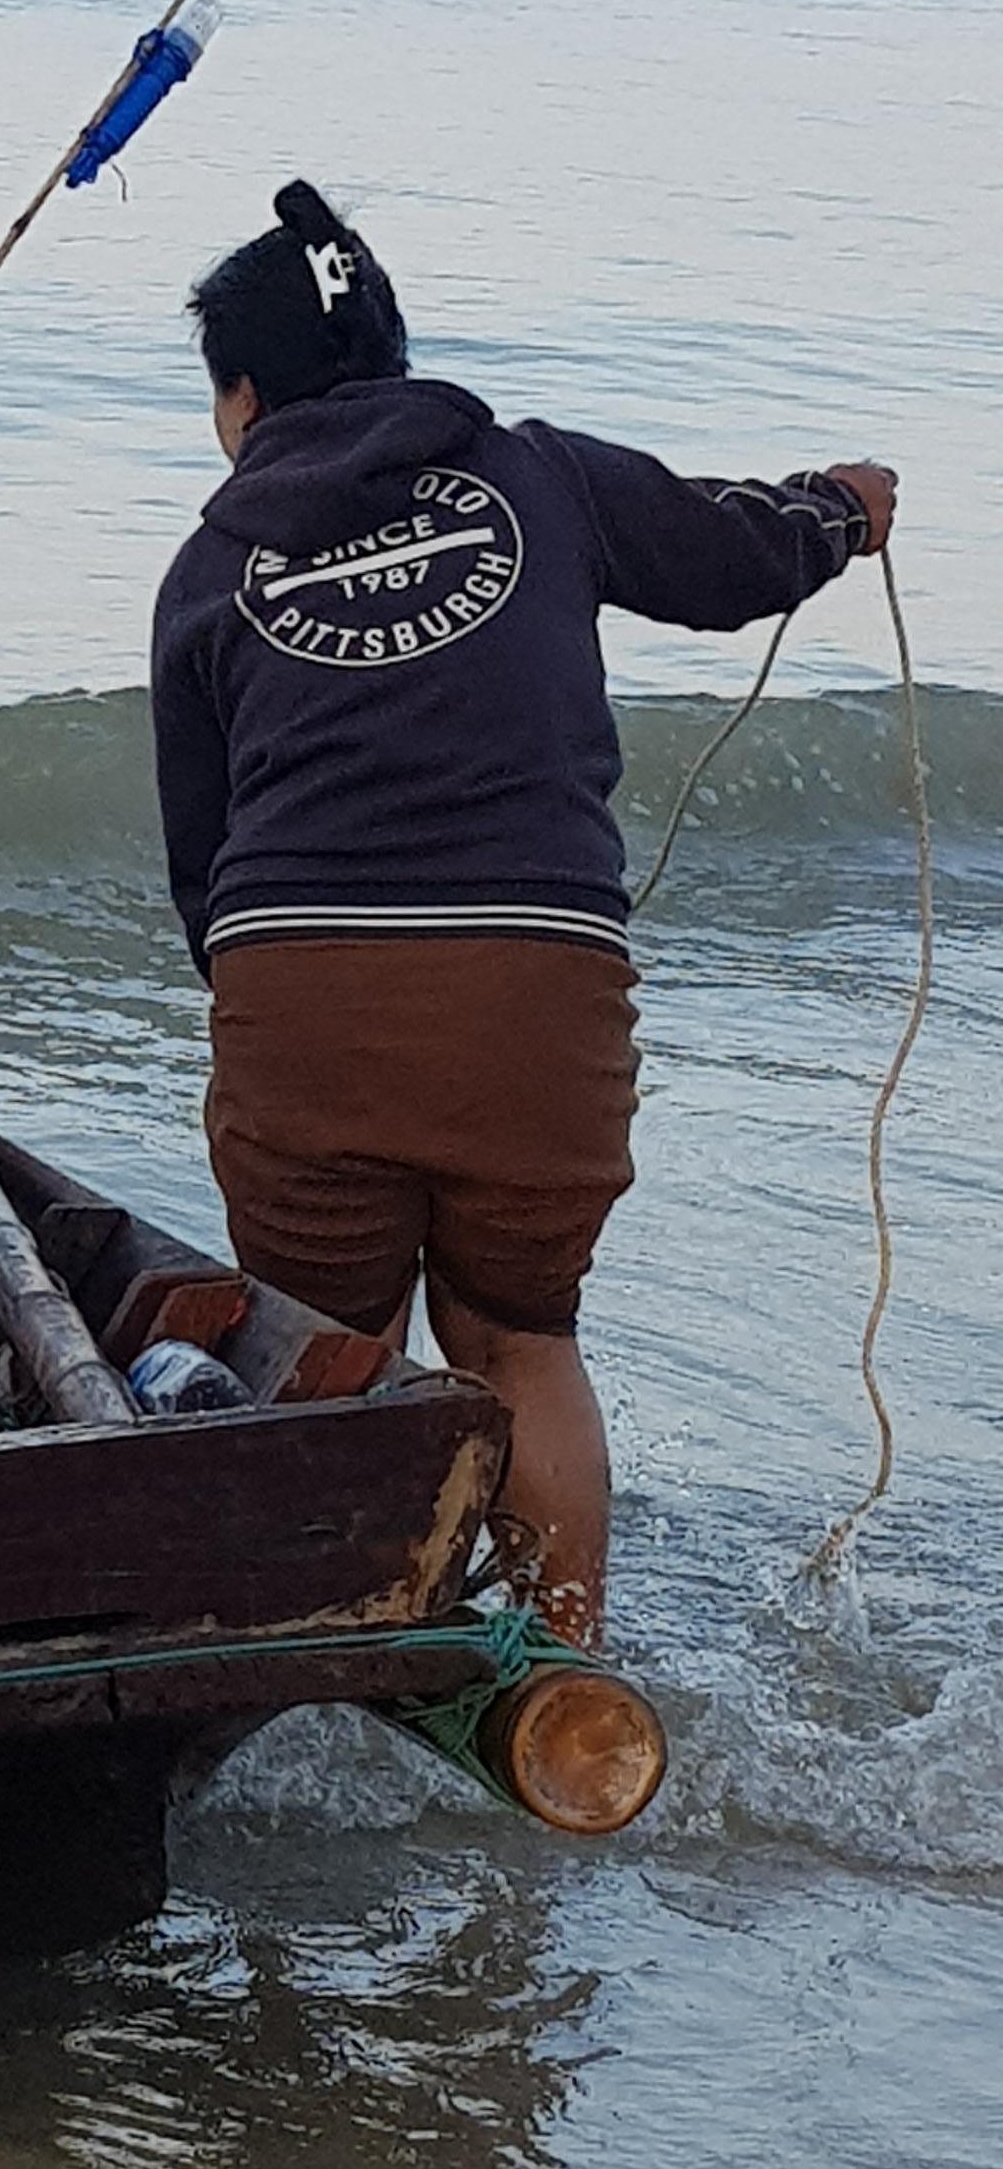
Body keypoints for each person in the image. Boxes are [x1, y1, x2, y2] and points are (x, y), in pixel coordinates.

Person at [150, 179, 895, 1640]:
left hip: (303, 992)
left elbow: (205, 855)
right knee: (519, 1337)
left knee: (330, 1356)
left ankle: (337, 1665)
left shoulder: (212, 568)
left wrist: (276, 1017)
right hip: (537, 993)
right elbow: (724, 555)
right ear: (395, 352)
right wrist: (839, 513)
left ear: (241, 399)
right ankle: (566, 1669)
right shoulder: (541, 475)